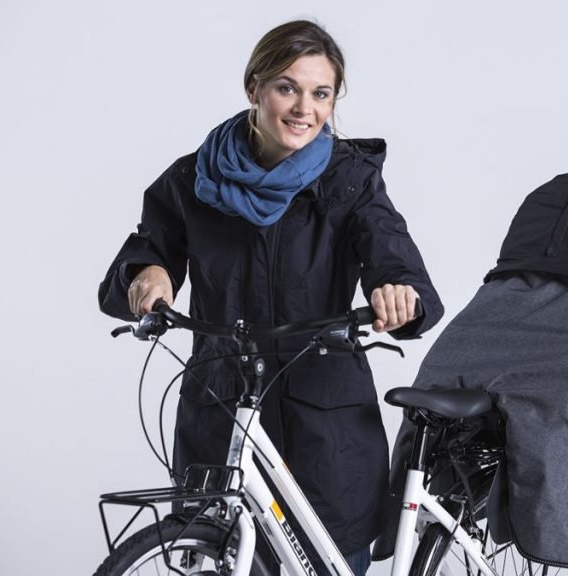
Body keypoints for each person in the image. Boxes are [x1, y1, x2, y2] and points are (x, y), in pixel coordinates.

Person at [98, 19, 443, 575]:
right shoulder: (191, 181)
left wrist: (397, 291)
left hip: (326, 426)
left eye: (321, 93)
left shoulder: (350, 181)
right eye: (288, 87)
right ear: (254, 87)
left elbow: (395, 258)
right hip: (221, 416)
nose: (304, 107)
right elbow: (142, 255)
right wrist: (148, 275)